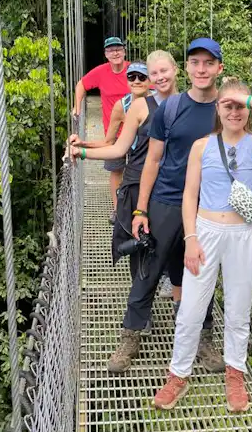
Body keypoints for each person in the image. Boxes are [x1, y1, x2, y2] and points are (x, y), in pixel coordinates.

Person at [104, 38, 252, 376]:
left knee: (200, 273)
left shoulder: (228, 106)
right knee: (149, 269)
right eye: (195, 63)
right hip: (168, 199)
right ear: (186, 67)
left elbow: (245, 143)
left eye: (208, 63)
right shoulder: (170, 108)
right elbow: (152, 160)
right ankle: (130, 335)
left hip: (210, 208)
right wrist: (141, 210)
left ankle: (203, 338)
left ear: (219, 68)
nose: (201, 69)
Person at [153, 78, 252, 413]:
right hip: (206, 231)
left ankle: (235, 373)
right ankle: (178, 375)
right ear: (217, 108)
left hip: (243, 235)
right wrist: (190, 239)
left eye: (239, 106)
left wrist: (249, 97)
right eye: (227, 104)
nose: (234, 111)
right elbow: (188, 195)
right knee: (191, 310)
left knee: (239, 309)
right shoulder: (202, 146)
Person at [71, 52, 179, 307]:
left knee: (171, 243)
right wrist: (83, 149)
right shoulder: (128, 106)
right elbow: (116, 145)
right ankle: (142, 312)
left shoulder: (183, 103)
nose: (138, 81)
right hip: (138, 179)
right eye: (134, 77)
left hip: (171, 185)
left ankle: (176, 302)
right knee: (141, 245)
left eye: (143, 76)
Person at [73, 36, 129, 214]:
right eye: (111, 50)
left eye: (118, 49)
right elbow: (81, 84)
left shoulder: (133, 71)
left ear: (124, 51)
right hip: (112, 134)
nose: (115, 53)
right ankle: (117, 209)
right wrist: (77, 106)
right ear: (106, 54)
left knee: (140, 171)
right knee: (116, 171)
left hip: (137, 131)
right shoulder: (101, 72)